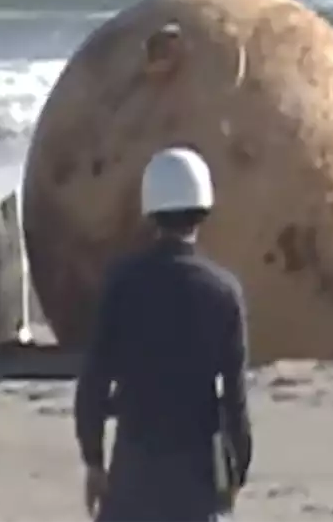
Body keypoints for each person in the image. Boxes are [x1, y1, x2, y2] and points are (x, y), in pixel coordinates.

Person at [75, 147, 253, 521]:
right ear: (203, 209)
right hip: (196, 477)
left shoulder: (122, 283)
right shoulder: (224, 293)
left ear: (150, 209)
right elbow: (235, 399)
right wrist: (239, 467)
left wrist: (93, 460)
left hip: (133, 469)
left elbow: (93, 382)